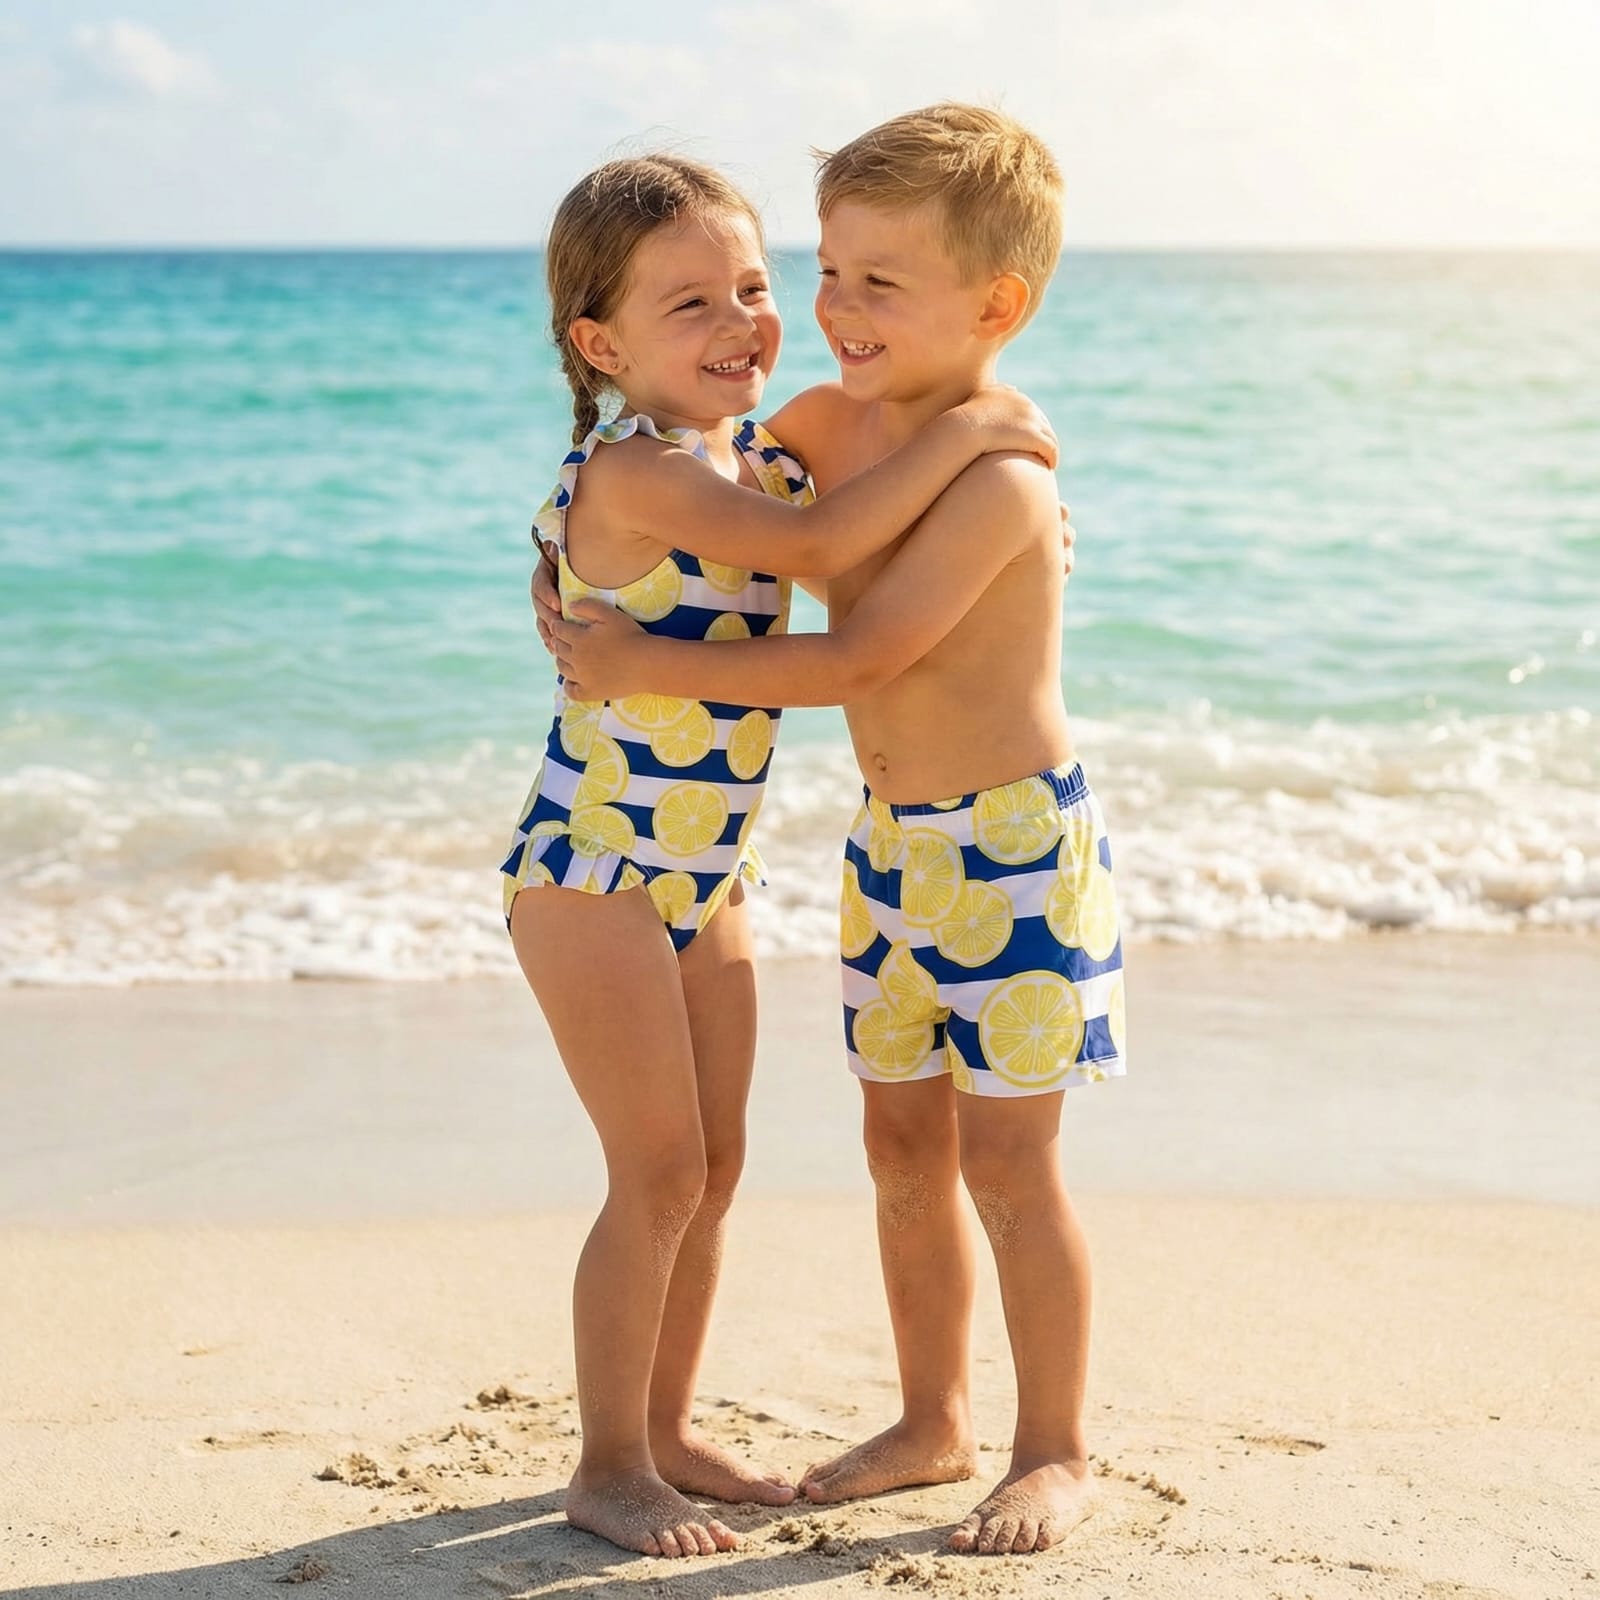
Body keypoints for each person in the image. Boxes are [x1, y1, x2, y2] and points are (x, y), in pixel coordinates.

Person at [547, 105, 1122, 1558]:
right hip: (867, 850)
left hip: (1009, 852)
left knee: (1005, 1164)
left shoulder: (1000, 475)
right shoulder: (815, 432)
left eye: (880, 280)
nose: (825, 312)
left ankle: (1049, 1445)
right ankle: (929, 1421)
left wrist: (991, 430)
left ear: (996, 307)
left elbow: (859, 652)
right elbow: (696, 516)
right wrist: (561, 599)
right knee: (898, 1153)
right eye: (829, 271)